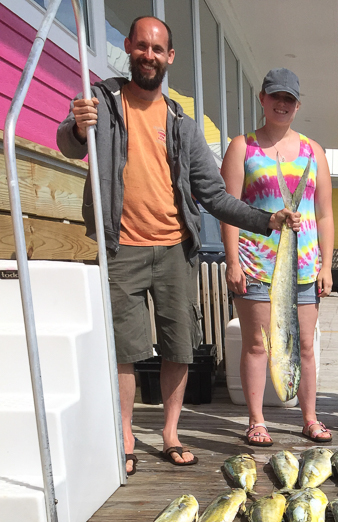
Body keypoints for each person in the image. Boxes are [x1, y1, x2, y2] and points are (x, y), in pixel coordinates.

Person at [57, 16, 298, 475]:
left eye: (158, 49)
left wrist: (266, 220)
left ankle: (170, 432)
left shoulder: (181, 123)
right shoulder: (102, 102)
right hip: (120, 246)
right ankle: (126, 434)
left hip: (174, 249)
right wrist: (76, 127)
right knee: (125, 350)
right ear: (128, 47)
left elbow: (215, 195)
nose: (148, 55)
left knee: (179, 346)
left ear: (170, 57)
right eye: (141, 46)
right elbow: (69, 145)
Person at [221, 68, 334, 446]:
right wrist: (233, 261)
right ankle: (256, 420)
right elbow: (228, 208)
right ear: (263, 99)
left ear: (297, 104)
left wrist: (327, 265)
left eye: (289, 99)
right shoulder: (243, 146)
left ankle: (310, 418)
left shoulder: (313, 151)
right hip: (256, 263)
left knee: (304, 344)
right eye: (276, 97)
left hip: (303, 266)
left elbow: (324, 214)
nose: (282, 104)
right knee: (257, 343)